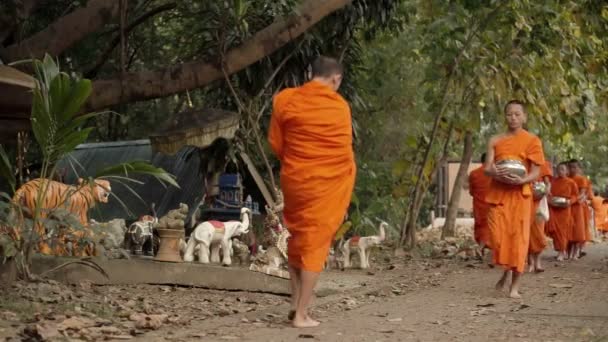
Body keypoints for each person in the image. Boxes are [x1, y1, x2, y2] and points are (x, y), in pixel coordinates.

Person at [268, 56, 356, 328]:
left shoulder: (285, 99)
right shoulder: (339, 106)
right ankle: (303, 315)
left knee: (298, 239)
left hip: (295, 179)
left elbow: (276, 143)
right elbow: (343, 150)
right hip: (325, 183)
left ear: (311, 74)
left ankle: (295, 305)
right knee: (315, 243)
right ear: (335, 79)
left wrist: (297, 161)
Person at [484, 100, 544, 299]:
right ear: (505, 116)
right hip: (498, 194)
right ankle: (505, 270)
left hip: (520, 196)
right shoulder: (495, 140)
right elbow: (487, 168)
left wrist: (521, 180)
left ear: (524, 117)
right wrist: (497, 174)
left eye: (517, 114)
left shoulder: (532, 140)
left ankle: (514, 287)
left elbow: (535, 172)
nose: (513, 117)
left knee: (518, 241)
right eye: (509, 114)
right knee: (497, 238)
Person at [546, 162, 578, 261]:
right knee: (555, 231)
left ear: (567, 171)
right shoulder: (553, 182)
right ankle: (561, 250)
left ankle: (562, 251)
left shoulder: (571, 182)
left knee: (563, 231)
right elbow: (549, 193)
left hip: (565, 209)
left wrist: (569, 201)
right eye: (558, 169)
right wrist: (549, 200)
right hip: (554, 208)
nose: (560, 171)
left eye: (563, 169)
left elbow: (575, 196)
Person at [528, 161, 552, 272]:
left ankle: (538, 262)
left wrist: (545, 190)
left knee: (539, 234)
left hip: (539, 202)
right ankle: (530, 262)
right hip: (525, 200)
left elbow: (547, 183)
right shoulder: (523, 162)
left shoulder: (544, 164)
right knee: (527, 233)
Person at [467, 153, 493, 258]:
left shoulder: (473, 174)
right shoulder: (493, 174)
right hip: (491, 204)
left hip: (478, 204)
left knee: (480, 226)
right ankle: (480, 248)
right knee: (489, 227)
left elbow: (471, 192)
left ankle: (481, 250)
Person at [568, 160, 589, 259]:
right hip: (568, 206)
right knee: (569, 229)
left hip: (579, 206)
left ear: (579, 168)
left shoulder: (581, 179)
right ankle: (569, 251)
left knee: (578, 229)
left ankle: (577, 251)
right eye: (570, 167)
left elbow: (582, 194)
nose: (572, 169)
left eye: (574, 167)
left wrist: (573, 200)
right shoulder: (566, 178)